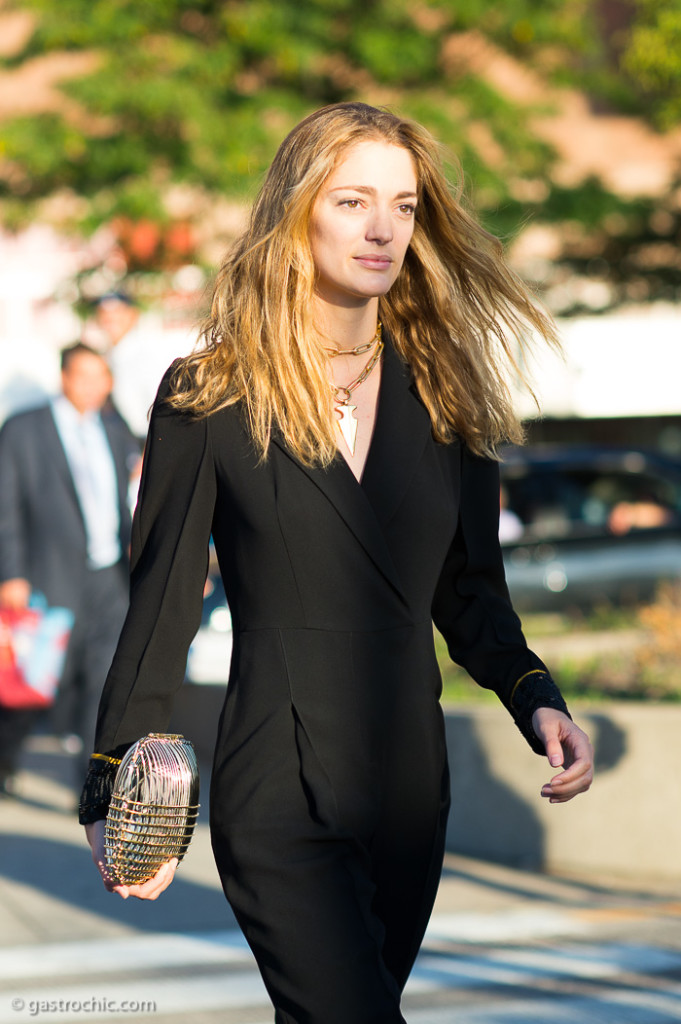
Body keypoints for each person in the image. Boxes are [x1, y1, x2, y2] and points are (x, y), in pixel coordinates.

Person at [80, 103, 593, 1023]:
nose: (382, 226)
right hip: (276, 785)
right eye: (353, 199)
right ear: (297, 212)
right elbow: (159, 601)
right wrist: (116, 785)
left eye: (401, 205)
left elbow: (470, 592)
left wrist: (535, 696)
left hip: (406, 789)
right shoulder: (211, 391)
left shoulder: (448, 392)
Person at [0, 343, 140, 794]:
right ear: (64, 377)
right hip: (47, 574)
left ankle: (91, 787)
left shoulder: (115, 431)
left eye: (102, 378)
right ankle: (3, 757)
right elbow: (6, 507)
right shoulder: (25, 429)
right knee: (36, 681)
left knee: (104, 682)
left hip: (107, 576)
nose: (94, 387)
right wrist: (11, 574)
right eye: (85, 376)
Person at [92, 291, 193, 441]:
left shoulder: (146, 353)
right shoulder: (111, 356)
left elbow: (162, 407)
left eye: (117, 314)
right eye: (104, 314)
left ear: (133, 315)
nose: (109, 320)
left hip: (151, 439)